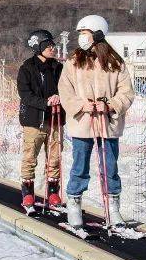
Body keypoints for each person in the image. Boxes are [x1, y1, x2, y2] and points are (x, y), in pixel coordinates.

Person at [58, 15, 136, 231]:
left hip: (107, 122)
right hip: (83, 122)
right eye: (80, 34)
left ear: (98, 34)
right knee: (80, 164)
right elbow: (65, 91)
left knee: (110, 165)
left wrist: (110, 105)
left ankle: (113, 206)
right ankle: (74, 202)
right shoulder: (74, 61)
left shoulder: (115, 62)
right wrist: (82, 105)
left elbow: (127, 92)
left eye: (85, 33)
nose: (81, 38)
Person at [16, 29, 64, 210]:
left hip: (55, 119)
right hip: (34, 120)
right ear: (38, 47)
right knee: (30, 157)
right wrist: (45, 102)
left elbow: (67, 87)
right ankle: (28, 193)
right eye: (49, 45)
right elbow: (25, 95)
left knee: (55, 157)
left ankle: (53, 192)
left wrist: (59, 97)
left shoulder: (58, 68)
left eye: (53, 45)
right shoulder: (26, 68)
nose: (53, 48)